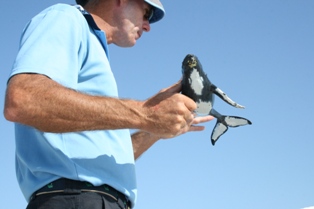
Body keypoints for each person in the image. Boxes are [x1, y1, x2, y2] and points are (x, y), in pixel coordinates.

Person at [3, 0, 214, 208]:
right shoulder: (65, 17)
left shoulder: (95, 50)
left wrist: (155, 129)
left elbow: (105, 160)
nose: (147, 26)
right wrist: (147, 114)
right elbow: (22, 99)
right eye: (146, 13)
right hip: (76, 198)